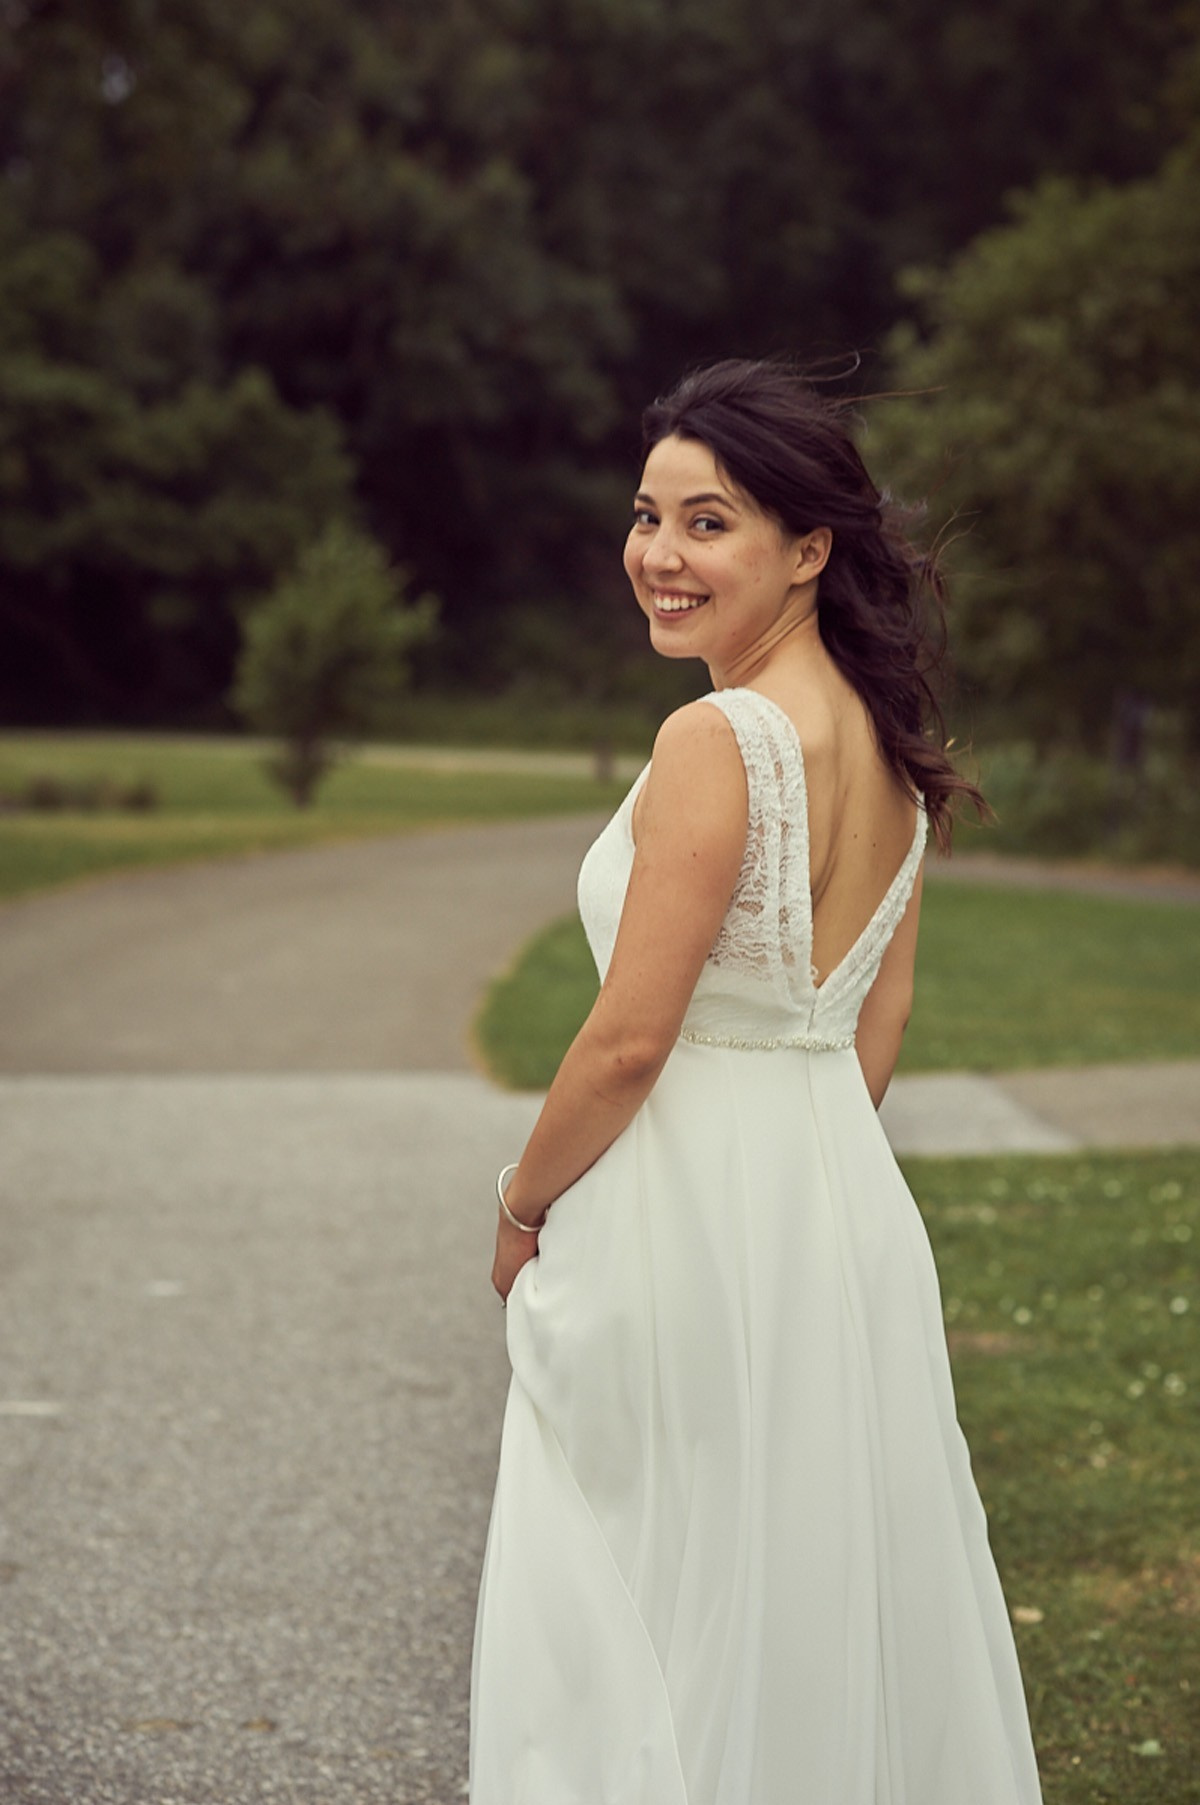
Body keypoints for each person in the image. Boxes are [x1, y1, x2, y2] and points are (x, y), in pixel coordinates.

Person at [469, 358, 1044, 1805]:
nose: (658, 555)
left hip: (679, 1215)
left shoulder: (716, 740)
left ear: (807, 549)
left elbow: (626, 1039)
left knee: (643, 1581)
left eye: (707, 522)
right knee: (799, 1593)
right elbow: (872, 1032)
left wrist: (525, 1199)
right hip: (830, 1212)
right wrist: (799, 1191)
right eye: (648, 515)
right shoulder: (898, 753)